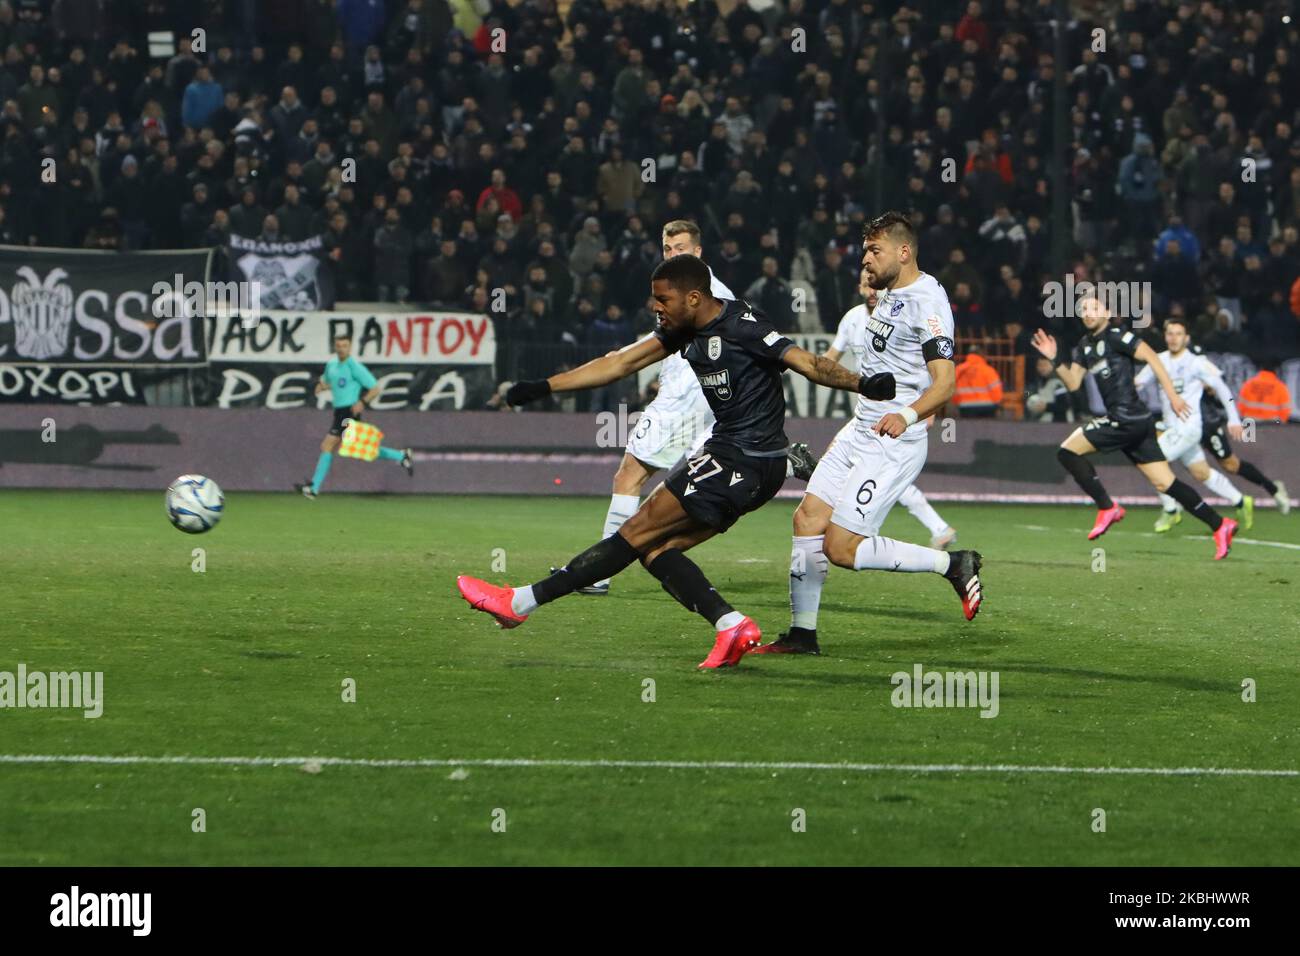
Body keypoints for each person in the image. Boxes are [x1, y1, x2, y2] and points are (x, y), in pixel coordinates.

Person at [456, 254, 899, 669]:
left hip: (741, 459)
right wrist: (544, 387)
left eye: (663, 300)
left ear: (693, 297)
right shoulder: (684, 330)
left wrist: (864, 384)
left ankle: (519, 603)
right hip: (746, 465)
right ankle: (731, 626)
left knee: (634, 533)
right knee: (655, 550)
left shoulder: (744, 325)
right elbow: (619, 363)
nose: (657, 310)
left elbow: (808, 363)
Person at [754, 212, 982, 657]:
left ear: (904, 251)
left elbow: (945, 382)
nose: (865, 259)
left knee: (841, 548)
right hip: (860, 428)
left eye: (874, 251)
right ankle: (803, 634)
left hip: (894, 442)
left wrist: (911, 415)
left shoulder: (927, 301)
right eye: (864, 251)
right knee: (806, 520)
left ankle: (952, 563)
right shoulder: (887, 295)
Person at [571, 219, 816, 596]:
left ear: (699, 251)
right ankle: (782, 463)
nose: (673, 255)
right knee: (691, 486)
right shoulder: (704, 288)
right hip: (700, 400)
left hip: (684, 400)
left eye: (681, 248)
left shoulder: (702, 290)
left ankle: (597, 575)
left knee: (629, 476)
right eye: (668, 249)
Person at [1031, 299, 1237, 559]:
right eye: (1084, 310)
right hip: (1136, 423)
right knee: (1166, 482)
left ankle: (1108, 507)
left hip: (1126, 418)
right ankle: (1220, 525)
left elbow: (1152, 356)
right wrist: (1054, 357)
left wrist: (1172, 395)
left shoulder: (1117, 335)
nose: (1088, 313)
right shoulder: (1085, 346)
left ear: (1106, 312)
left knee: (1067, 452)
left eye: (1094, 309)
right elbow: (1073, 383)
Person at [1136, 319, 1255, 532]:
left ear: (1187, 338)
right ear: (1165, 337)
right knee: (1201, 473)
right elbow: (1138, 383)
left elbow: (1222, 388)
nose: (1173, 338)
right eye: (1170, 334)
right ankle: (1240, 500)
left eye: (1178, 334)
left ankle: (1171, 510)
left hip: (1188, 427)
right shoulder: (1158, 360)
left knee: (1153, 461)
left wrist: (1234, 418)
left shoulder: (1196, 363)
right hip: (1172, 428)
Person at [294, 335, 412, 498]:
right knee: (362, 449)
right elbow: (330, 382)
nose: (341, 348)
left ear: (350, 348)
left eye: (345, 346)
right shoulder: (332, 365)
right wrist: (321, 387)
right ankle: (400, 455)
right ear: (335, 347)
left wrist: (362, 402)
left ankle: (313, 488)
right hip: (339, 412)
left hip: (349, 412)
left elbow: (375, 388)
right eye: (339, 346)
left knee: (327, 446)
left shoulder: (355, 367)